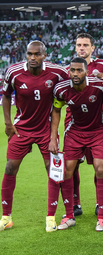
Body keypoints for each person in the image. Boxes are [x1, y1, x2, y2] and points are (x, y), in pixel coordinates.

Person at [0, 41, 69, 231]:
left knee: (53, 171)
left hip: (46, 130)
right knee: (10, 168)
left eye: (36, 54)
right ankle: (6, 217)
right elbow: (6, 95)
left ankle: (50, 217)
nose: (32, 58)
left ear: (44, 55)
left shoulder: (57, 72)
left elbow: (75, 77)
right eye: (29, 54)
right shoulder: (14, 72)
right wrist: (8, 123)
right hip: (22, 128)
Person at [47, 57, 103, 232]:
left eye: (79, 70)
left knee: (100, 169)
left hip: (98, 131)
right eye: (72, 70)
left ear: (87, 72)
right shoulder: (61, 89)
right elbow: (56, 110)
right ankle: (69, 215)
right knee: (67, 170)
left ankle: (101, 217)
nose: (75, 73)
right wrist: (53, 138)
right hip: (75, 132)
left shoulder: (100, 85)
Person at [66, 33, 103, 217]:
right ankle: (75, 203)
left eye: (85, 44)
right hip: (73, 123)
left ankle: (99, 203)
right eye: (78, 44)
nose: (81, 47)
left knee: (99, 166)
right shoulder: (68, 69)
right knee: (73, 166)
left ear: (93, 48)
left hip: (97, 124)